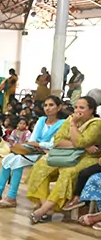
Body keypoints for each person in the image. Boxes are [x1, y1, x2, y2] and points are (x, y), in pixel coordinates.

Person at [28, 96, 101, 224]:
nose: (77, 111)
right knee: (40, 166)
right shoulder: (70, 119)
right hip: (66, 154)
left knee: (68, 172)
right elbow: (57, 140)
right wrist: (82, 145)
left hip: (88, 157)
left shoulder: (96, 123)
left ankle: (42, 211)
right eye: (76, 107)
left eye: (82, 108)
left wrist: (73, 127)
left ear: (91, 110)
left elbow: (80, 141)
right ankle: (48, 209)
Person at [0, 96, 63, 209]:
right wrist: (36, 144)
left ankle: (11, 196)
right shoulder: (41, 120)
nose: (48, 108)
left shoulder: (62, 124)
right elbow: (32, 139)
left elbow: (53, 144)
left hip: (48, 154)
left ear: (59, 107)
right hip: (32, 149)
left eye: (51, 105)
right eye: (46, 105)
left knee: (18, 161)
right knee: (8, 159)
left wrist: (38, 144)